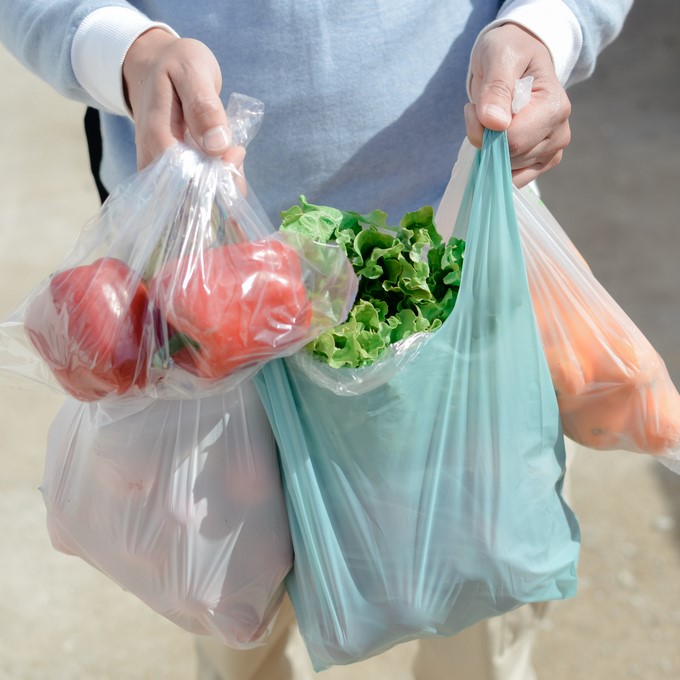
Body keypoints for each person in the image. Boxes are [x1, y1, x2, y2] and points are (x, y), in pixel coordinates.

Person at [0, 2, 633, 679]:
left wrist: (545, 26)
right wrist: (127, 51)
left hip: (451, 269)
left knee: (475, 613)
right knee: (236, 619)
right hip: (200, 317)